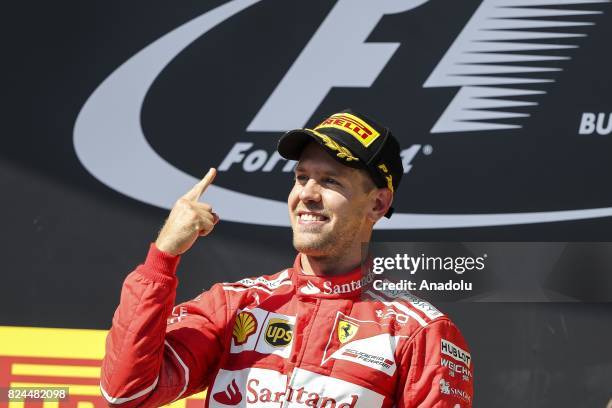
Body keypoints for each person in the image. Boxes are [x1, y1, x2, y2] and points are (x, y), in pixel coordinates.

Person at [100, 110, 474, 407]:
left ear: (377, 203)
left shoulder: (418, 332)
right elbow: (126, 392)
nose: (307, 194)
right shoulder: (236, 305)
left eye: (331, 181)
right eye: (301, 177)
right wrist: (162, 258)